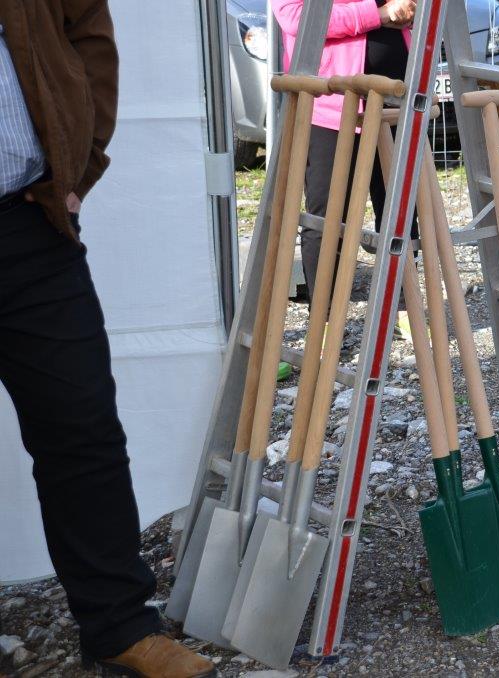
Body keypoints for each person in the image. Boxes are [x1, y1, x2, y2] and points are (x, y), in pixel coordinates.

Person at [0, 3, 213, 676]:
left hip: (28, 223)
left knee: (81, 427)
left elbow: (87, 31)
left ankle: (119, 627)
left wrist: (77, 165)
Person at [273, 0, 417, 300]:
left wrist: (407, 10)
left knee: (400, 213)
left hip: (396, 99)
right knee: (328, 217)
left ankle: (402, 309)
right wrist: (377, 15)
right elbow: (295, 17)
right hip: (331, 101)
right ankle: (323, 319)